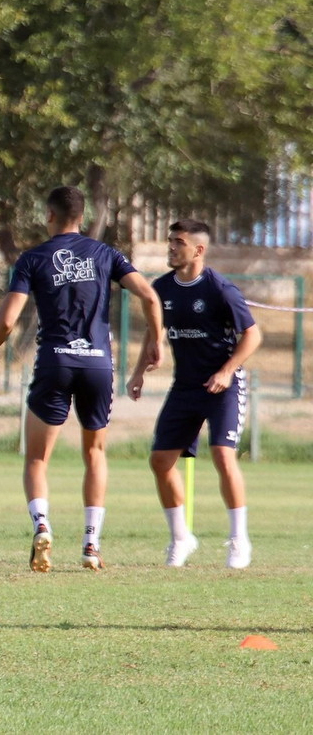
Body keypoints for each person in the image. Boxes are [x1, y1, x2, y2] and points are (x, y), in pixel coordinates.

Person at [0, 185, 162, 573]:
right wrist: (156, 343)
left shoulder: (32, 259)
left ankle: (42, 524)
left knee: (36, 457)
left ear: (49, 215)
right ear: (81, 217)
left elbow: (9, 318)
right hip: (98, 363)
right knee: (94, 454)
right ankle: (91, 544)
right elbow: (148, 295)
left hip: (55, 361)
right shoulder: (106, 254)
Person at [129, 219, 259, 569]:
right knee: (160, 461)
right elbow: (153, 331)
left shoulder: (220, 289)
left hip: (222, 387)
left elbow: (252, 336)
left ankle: (238, 540)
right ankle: (181, 537)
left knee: (222, 455)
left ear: (198, 250)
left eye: (178, 242)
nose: (170, 248)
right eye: (170, 241)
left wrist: (226, 370)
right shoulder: (162, 288)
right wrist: (139, 371)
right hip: (185, 387)